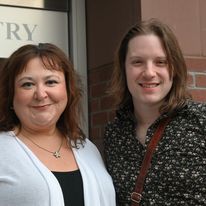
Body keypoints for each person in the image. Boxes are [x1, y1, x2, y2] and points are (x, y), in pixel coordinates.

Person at [104, 18, 206, 205]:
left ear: (174, 68)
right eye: (137, 62)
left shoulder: (201, 120)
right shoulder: (114, 133)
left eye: (160, 62)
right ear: (124, 68)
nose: (149, 72)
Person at [0, 43, 116, 206]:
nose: (40, 94)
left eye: (51, 82)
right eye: (27, 84)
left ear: (68, 91)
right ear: (11, 96)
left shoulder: (87, 148)